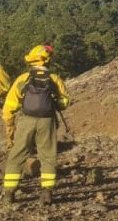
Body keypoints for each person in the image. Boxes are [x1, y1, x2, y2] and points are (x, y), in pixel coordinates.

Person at [3, 45, 70, 206]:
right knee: (47, 156)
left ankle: (9, 194)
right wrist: (54, 102)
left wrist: (10, 129)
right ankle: (46, 193)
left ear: (31, 60)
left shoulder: (22, 79)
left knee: (17, 156)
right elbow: (65, 102)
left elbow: (9, 107)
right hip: (47, 121)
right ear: (47, 60)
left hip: (26, 120)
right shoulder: (54, 78)